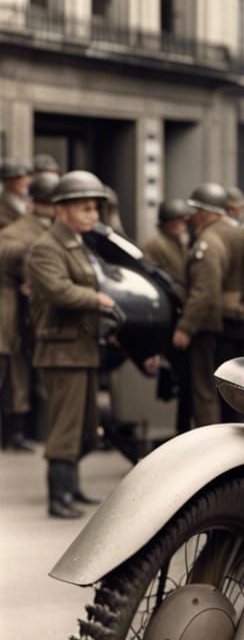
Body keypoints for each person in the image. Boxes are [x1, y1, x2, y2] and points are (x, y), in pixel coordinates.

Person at [26, 170, 117, 517]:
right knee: (65, 427)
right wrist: (96, 298)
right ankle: (57, 497)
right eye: (85, 209)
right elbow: (58, 290)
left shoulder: (79, 244)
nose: (93, 216)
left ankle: (72, 489)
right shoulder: (46, 247)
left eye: (94, 209)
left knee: (84, 427)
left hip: (82, 348)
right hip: (61, 350)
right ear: (61, 210)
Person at [172, 182, 244, 426]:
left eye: (195, 211)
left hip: (210, 325)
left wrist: (185, 327)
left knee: (205, 390)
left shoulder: (209, 240)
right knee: (233, 391)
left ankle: (210, 445)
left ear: (206, 213)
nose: (191, 217)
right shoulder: (240, 233)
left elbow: (205, 289)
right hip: (239, 319)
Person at [0, 171, 58, 451]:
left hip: (26, 311)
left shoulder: (39, 230)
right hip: (14, 310)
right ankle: (15, 433)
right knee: (14, 371)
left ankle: (22, 431)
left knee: (21, 372)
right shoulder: (22, 232)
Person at [142, 198, 192, 300]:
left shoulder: (181, 244)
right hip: (167, 297)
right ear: (165, 223)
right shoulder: (155, 245)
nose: (179, 226)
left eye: (181, 221)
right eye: (174, 222)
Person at [1, 160, 31, 228]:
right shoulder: (3, 205)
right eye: (19, 178)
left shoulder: (28, 200)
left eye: (25, 177)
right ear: (7, 182)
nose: (25, 181)